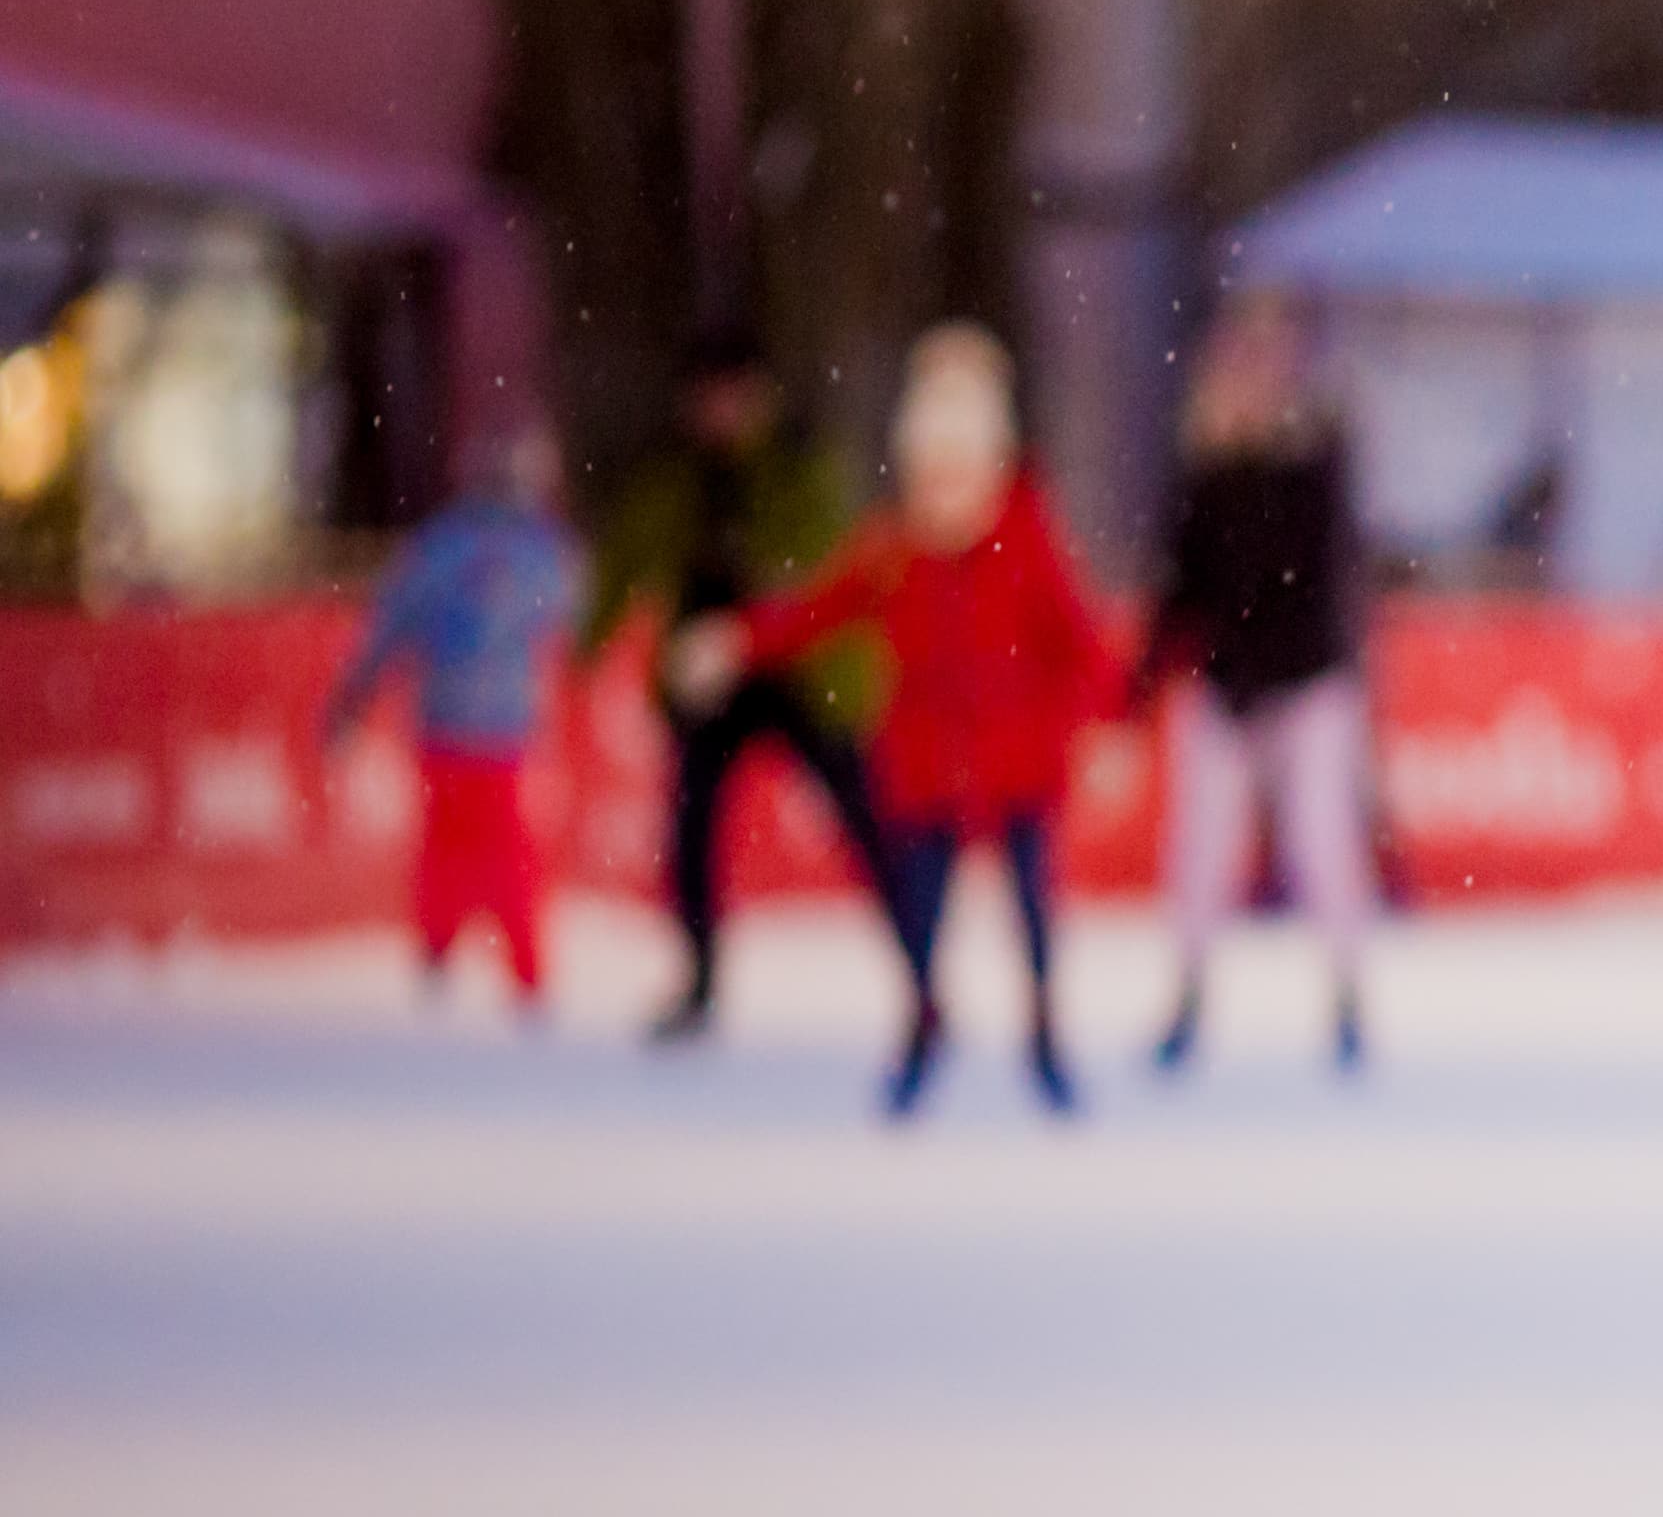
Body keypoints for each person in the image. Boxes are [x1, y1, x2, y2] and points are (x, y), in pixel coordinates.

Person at [689, 324, 1119, 1119]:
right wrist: (739, 639)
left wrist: (1111, 719)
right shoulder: (894, 544)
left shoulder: (1027, 532)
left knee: (1031, 908)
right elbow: (820, 608)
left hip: (1018, 758)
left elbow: (1079, 638)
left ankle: (1043, 1034)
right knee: (916, 912)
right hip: (925, 762)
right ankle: (923, 1023)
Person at [581, 339, 880, 1044]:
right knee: (691, 831)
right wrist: (590, 642)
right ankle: (700, 976)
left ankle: (918, 962)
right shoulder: (677, 477)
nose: (719, 413)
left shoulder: (795, 463)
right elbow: (627, 557)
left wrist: (762, 600)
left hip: (796, 670)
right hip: (706, 676)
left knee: (864, 813)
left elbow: (826, 559)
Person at [1140, 297, 1376, 1077]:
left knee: (1319, 835)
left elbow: (1310, 589)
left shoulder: (1313, 467)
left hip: (1304, 680)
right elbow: (1183, 588)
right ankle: (1189, 992)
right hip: (1227, 683)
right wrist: (1142, 683)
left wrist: (1261, 671)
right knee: (1202, 844)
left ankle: (1346, 993)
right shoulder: (1208, 475)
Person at [322, 423, 587, 1016]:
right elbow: (577, 622)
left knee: (447, 845)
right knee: (507, 852)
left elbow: (389, 628)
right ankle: (525, 971)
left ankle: (439, 953)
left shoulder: (439, 545)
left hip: (443, 722)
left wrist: (353, 697)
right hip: (504, 727)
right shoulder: (540, 551)